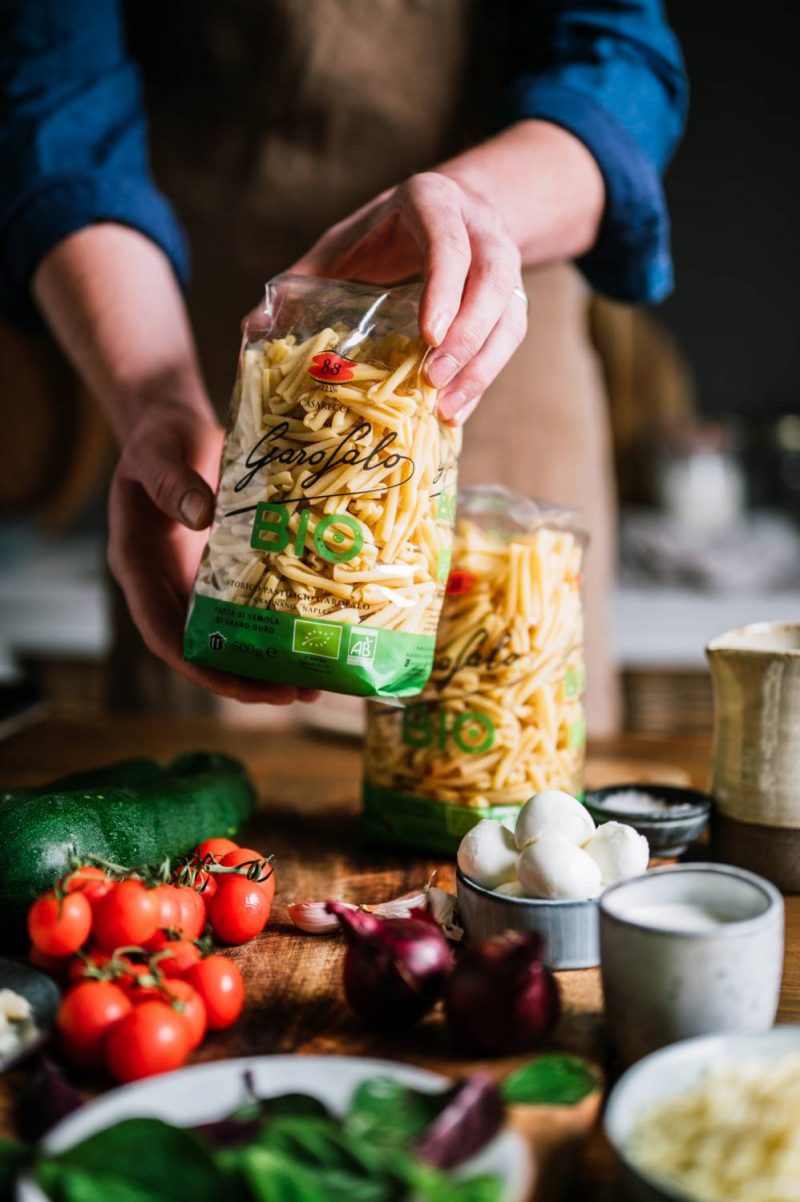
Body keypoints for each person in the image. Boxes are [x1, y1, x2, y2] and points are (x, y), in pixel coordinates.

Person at [0, 1, 687, 732]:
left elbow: (617, 64)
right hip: (205, 359)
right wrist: (152, 395)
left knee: (497, 754)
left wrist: (471, 207)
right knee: (209, 787)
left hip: (486, 340)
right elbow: (57, 113)